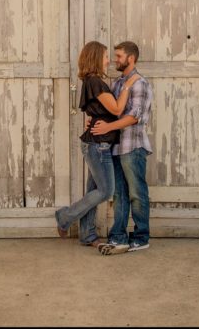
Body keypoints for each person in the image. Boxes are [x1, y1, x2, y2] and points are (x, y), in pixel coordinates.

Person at [55, 41, 140, 247]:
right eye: (104, 56)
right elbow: (118, 109)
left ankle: (87, 234)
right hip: (98, 145)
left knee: (93, 190)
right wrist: (129, 84)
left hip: (98, 143)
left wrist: (96, 120)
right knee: (105, 191)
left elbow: (94, 110)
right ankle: (65, 216)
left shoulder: (92, 81)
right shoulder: (95, 82)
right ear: (95, 58)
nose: (108, 60)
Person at [89, 41, 154, 256]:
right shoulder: (118, 84)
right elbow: (111, 110)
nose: (115, 60)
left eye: (118, 56)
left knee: (137, 193)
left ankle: (141, 237)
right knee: (118, 195)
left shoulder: (140, 84)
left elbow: (134, 117)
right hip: (115, 148)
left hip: (133, 147)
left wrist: (108, 126)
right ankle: (118, 237)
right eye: (114, 56)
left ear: (131, 58)